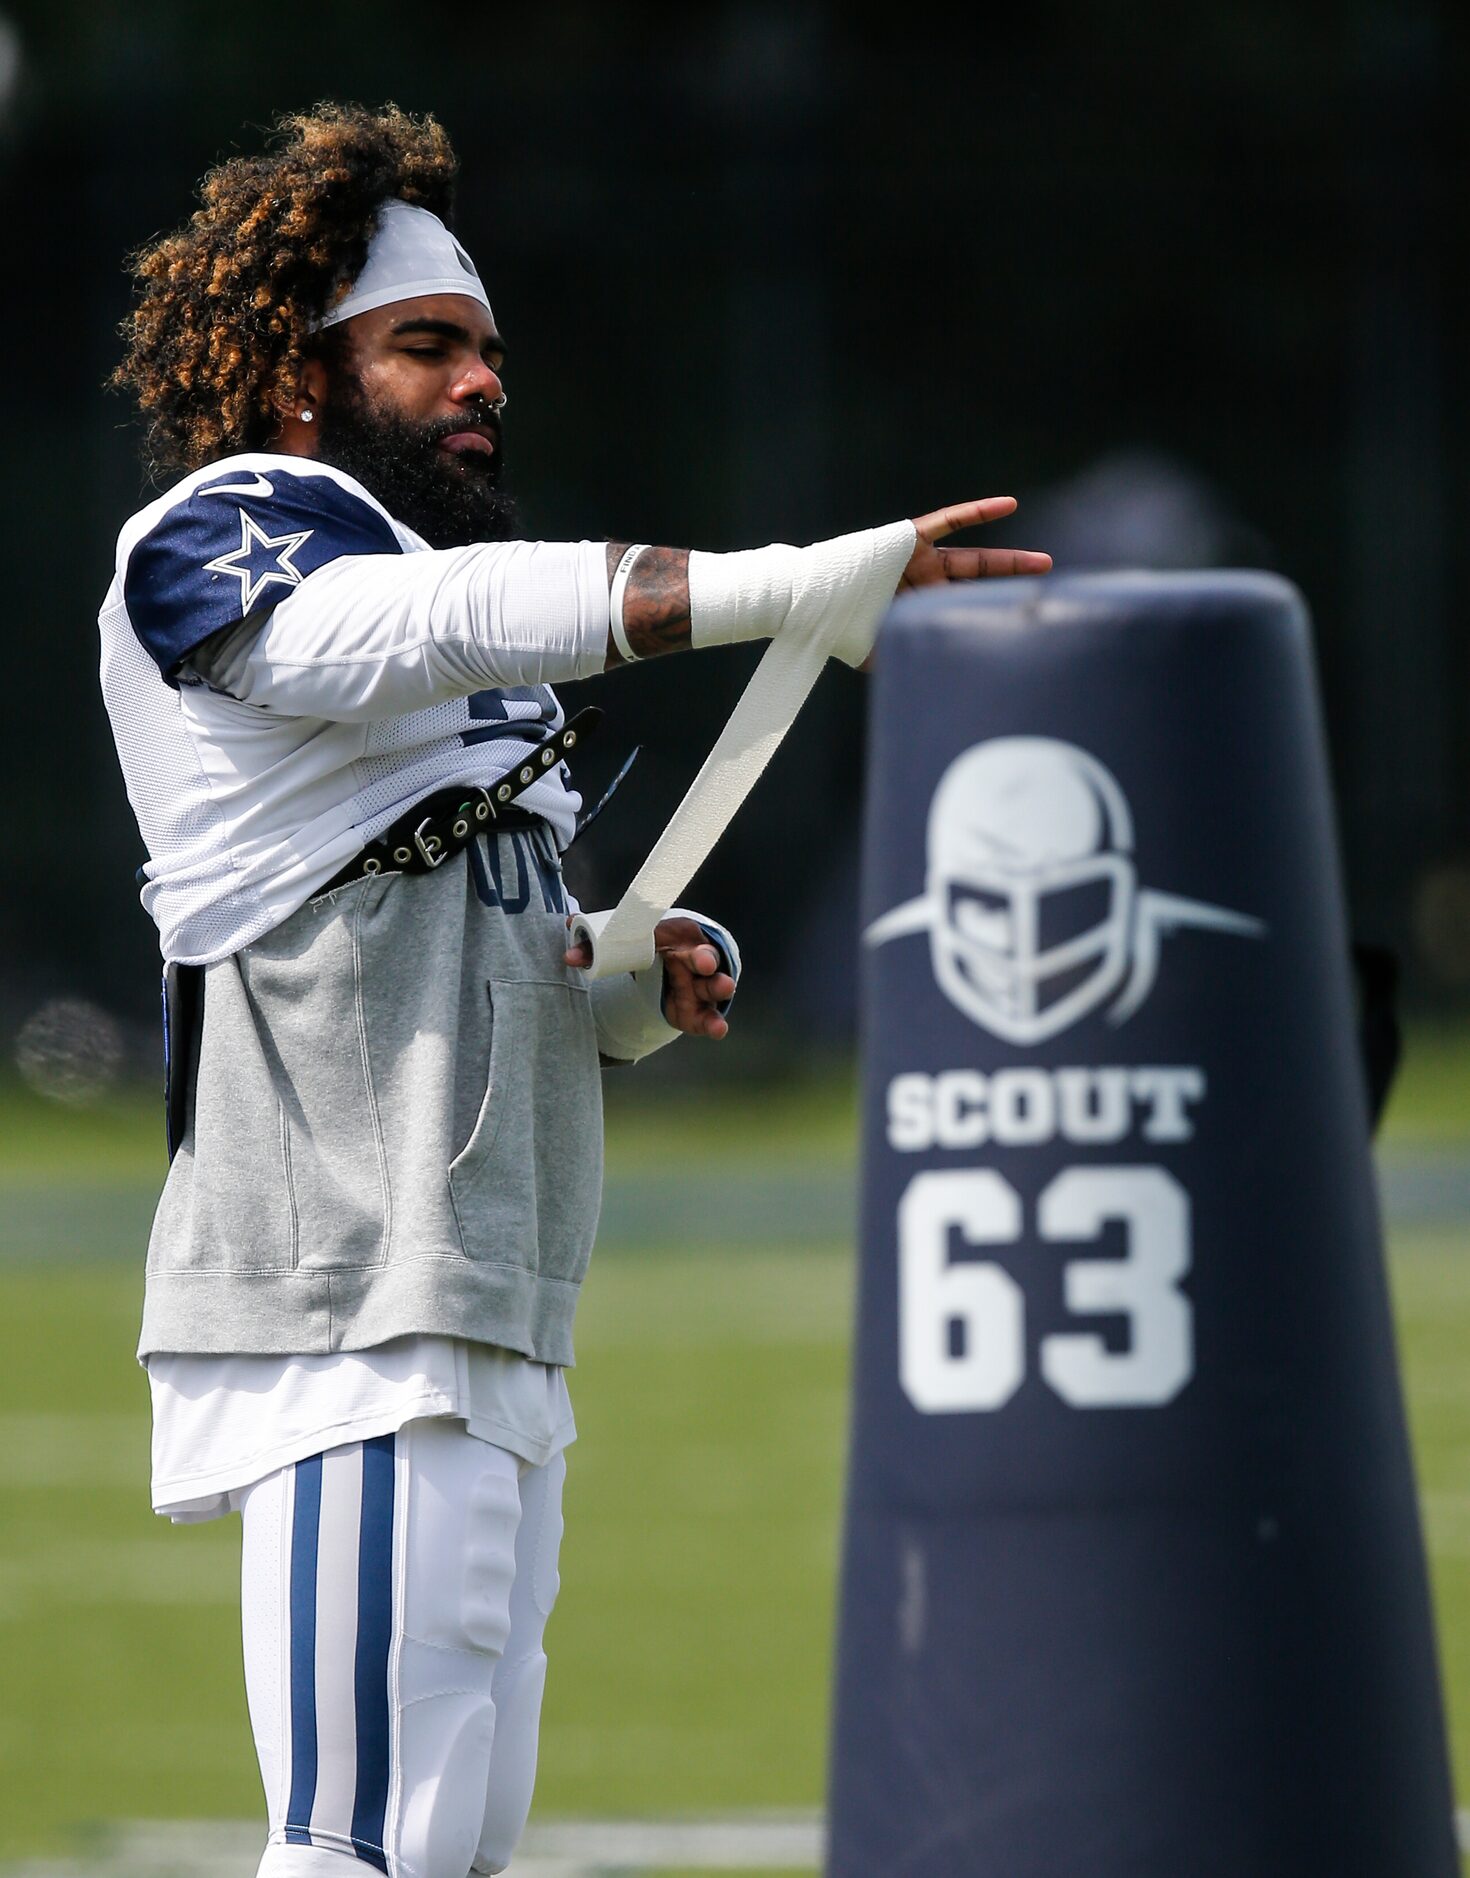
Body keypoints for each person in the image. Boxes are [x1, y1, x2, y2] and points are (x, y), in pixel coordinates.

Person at [100, 102, 1051, 1878]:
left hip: (486, 1284)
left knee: (447, 1845)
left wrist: (618, 976)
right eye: (427, 345)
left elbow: (469, 929)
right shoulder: (226, 528)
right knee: (360, 1847)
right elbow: (441, 624)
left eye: (487, 352)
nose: (480, 384)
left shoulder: (415, 593)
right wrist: (784, 582)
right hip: (350, 1301)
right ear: (297, 377)